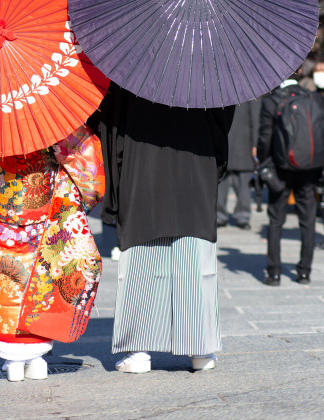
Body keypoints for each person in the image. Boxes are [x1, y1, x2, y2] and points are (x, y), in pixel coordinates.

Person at [89, 83, 234, 374]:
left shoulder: (131, 70)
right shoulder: (205, 66)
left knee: (142, 259)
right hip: (196, 166)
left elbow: (112, 128)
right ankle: (199, 349)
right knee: (194, 259)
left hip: (142, 168)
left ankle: (139, 350)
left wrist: (116, 188)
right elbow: (222, 121)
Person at [0, 123, 104, 381]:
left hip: (0, 208)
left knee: (4, 277)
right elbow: (80, 155)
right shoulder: (45, 104)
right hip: (41, 202)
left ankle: (13, 360)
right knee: (40, 273)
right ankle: (37, 358)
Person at [257, 70, 324, 285]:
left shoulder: (272, 101)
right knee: (308, 219)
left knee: (276, 219)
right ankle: (304, 272)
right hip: (310, 167)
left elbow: (265, 138)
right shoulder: (313, 98)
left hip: (281, 167)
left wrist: (263, 162)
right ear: (300, 73)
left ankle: (274, 272)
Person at [217, 99, 261, 229]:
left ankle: (237, 215)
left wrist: (255, 144)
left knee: (242, 184)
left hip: (241, 143)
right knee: (225, 183)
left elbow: (255, 119)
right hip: (234, 142)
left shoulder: (245, 93)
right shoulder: (249, 93)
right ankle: (227, 215)